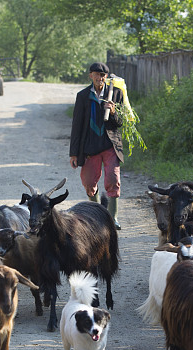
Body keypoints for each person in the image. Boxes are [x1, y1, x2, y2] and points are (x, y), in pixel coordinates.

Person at [69, 62, 124, 230]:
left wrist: (113, 112)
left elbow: (120, 123)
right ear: (90, 76)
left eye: (103, 75)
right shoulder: (83, 96)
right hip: (89, 147)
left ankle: (112, 218)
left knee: (113, 180)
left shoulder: (115, 93)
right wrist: (73, 153)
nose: (100, 78)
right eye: (96, 74)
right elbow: (77, 126)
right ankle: (99, 214)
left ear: (106, 77)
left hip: (109, 145)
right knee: (89, 183)